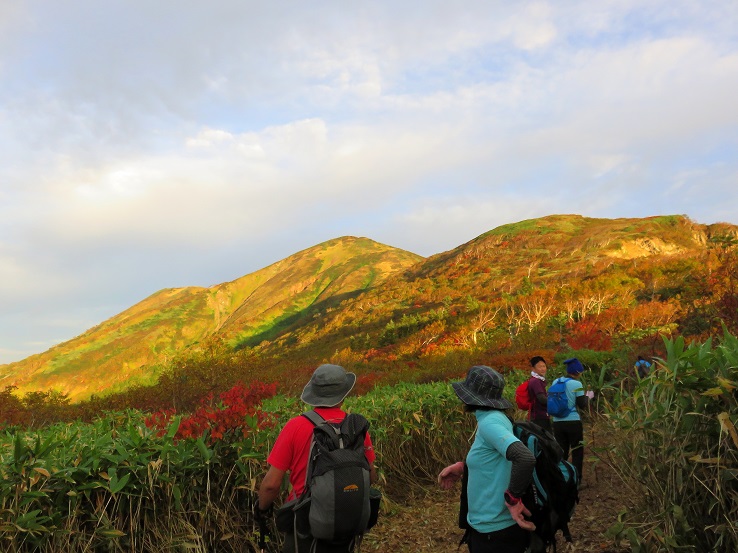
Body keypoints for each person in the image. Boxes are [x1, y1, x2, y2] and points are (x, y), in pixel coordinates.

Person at [256, 364, 378, 553]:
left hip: (306, 523)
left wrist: (262, 509)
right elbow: (371, 476)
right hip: (347, 522)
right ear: (344, 394)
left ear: (313, 393)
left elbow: (271, 484)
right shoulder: (356, 427)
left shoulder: (295, 426)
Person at [438, 365, 536, 553]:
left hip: (495, 533)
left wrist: (513, 499)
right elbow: (496, 460)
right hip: (494, 529)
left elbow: (524, 458)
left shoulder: (489, 422)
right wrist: (463, 467)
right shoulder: (495, 418)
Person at [549, 358, 593, 486]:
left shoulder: (556, 381)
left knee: (562, 451)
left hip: (557, 422)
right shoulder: (576, 384)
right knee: (577, 451)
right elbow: (582, 404)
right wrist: (588, 396)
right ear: (578, 371)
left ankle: (562, 479)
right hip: (573, 421)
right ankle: (576, 481)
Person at [527, 356, 551, 431]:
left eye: (544, 366)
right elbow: (542, 399)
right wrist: (556, 401)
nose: (543, 369)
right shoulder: (536, 381)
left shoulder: (539, 380)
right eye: (540, 367)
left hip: (541, 415)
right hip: (539, 416)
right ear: (533, 368)